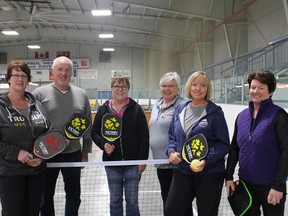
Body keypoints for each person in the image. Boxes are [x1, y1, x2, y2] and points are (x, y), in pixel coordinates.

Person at [33, 56, 92, 216]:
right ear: (52, 72)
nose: (63, 73)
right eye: (60, 69)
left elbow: (87, 125)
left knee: (74, 195)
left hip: (73, 153)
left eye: (67, 70)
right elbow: (32, 124)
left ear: (72, 73)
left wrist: (85, 152)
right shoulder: (38, 94)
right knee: (45, 196)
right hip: (47, 154)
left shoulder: (81, 94)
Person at [165, 71, 230, 216]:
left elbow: (224, 144)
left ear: (208, 89)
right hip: (182, 171)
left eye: (203, 85)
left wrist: (206, 161)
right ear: (189, 87)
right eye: (194, 84)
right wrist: (171, 152)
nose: (198, 88)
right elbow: (172, 137)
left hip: (210, 173)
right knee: (172, 210)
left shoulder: (215, 113)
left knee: (207, 213)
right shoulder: (180, 110)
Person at [225, 70, 288, 216]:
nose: (255, 91)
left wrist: (278, 186)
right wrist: (228, 176)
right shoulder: (241, 117)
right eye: (253, 87)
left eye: (261, 88)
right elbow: (234, 148)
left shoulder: (279, 115)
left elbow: (286, 151)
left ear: (270, 91)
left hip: (271, 187)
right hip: (245, 185)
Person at [91, 77, 149, 216]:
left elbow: (144, 136)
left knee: (132, 201)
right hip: (112, 163)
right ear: (112, 89)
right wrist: (103, 144)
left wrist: (142, 160)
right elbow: (94, 133)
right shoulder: (104, 109)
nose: (120, 89)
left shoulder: (136, 109)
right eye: (117, 86)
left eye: (123, 86)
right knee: (115, 200)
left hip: (133, 164)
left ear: (128, 89)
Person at [0, 60, 52, 216]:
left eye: (23, 75)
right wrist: (17, 153)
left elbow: (47, 132)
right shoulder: (1, 107)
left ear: (28, 80)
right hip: (11, 173)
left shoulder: (37, 105)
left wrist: (42, 156)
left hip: (36, 173)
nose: (20, 79)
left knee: (33, 212)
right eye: (15, 75)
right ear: (8, 78)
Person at [149, 72, 192, 215]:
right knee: (166, 199)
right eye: (164, 86)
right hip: (161, 162)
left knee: (180, 203)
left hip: (176, 163)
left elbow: (187, 131)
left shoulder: (183, 105)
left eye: (170, 86)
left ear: (177, 88)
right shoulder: (157, 104)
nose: (166, 89)